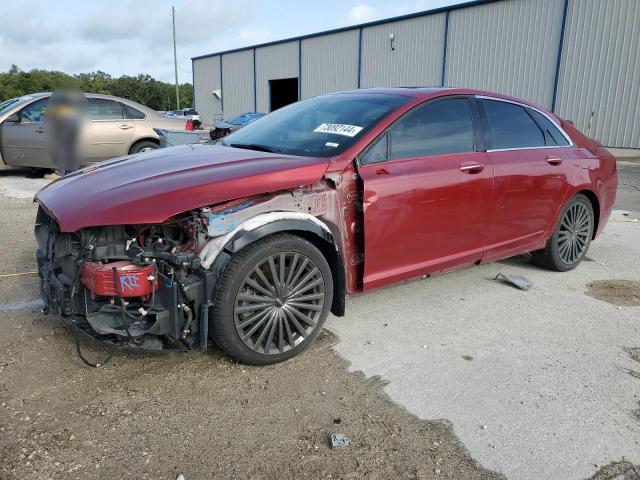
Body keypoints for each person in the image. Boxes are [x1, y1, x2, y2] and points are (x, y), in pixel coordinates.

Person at [43, 90, 88, 180]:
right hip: (75, 123)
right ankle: (73, 171)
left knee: (61, 148)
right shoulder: (72, 108)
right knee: (71, 148)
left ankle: (60, 173)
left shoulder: (57, 107)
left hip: (65, 122)